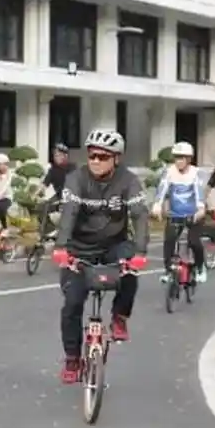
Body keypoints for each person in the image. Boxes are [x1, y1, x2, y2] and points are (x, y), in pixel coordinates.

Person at [49, 129, 149, 383]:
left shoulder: (129, 181)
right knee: (71, 305)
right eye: (92, 155)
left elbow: (139, 216)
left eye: (103, 156)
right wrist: (61, 247)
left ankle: (119, 317)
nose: (95, 161)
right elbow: (69, 212)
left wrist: (140, 251)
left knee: (130, 269)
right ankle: (73, 358)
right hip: (79, 248)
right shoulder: (76, 178)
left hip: (113, 245)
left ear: (116, 158)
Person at [151, 141, 207, 284]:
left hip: (194, 214)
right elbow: (162, 189)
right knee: (169, 241)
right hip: (175, 214)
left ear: (189, 159)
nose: (179, 161)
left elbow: (199, 193)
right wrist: (157, 205)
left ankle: (200, 267)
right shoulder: (169, 171)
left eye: (182, 158)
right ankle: (168, 271)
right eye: (177, 158)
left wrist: (200, 209)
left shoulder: (197, 173)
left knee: (194, 242)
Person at [37, 143, 75, 238]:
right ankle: (48, 233)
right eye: (54, 155)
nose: (55, 157)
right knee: (42, 208)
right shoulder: (53, 170)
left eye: (58, 155)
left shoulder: (73, 168)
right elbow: (44, 184)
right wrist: (37, 195)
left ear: (65, 156)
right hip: (58, 197)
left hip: (72, 197)